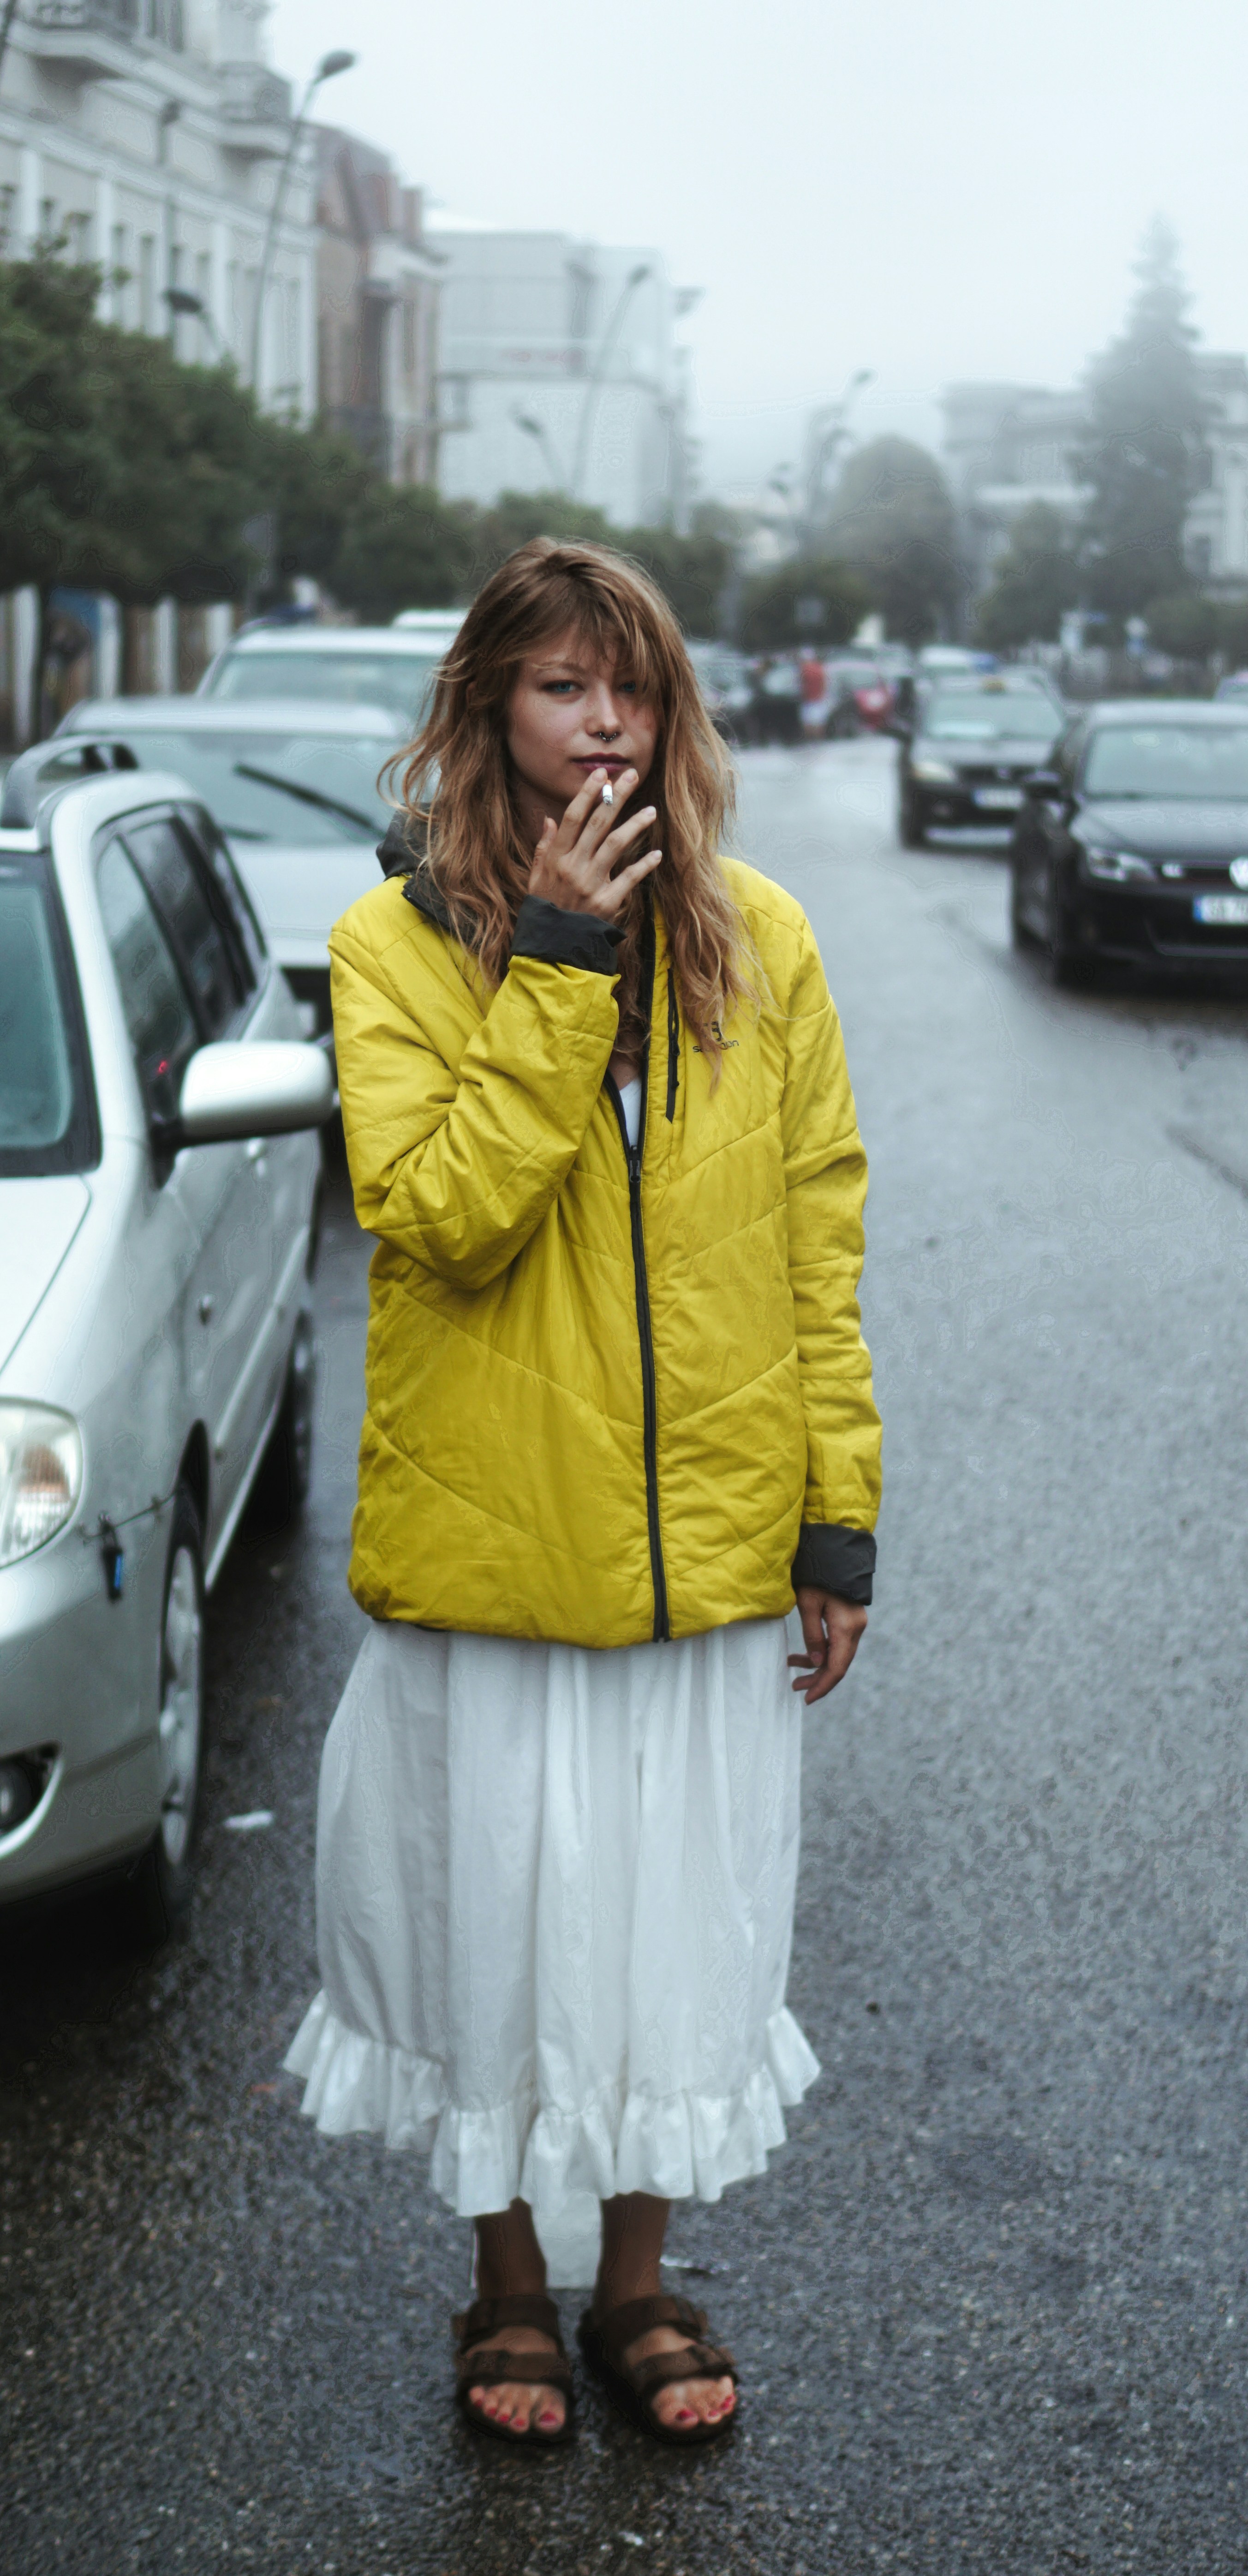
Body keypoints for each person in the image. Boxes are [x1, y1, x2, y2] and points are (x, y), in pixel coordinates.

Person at [285, 538, 882, 2449]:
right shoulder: (391, 947)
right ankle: (506, 2287)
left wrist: (836, 1518)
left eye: (630, 687)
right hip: (495, 1548)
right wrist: (549, 958)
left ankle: (633, 2284)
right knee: (500, 1928)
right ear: (487, 711)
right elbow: (440, 1214)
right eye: (559, 686)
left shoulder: (761, 937)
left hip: (707, 1556)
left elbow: (813, 1241)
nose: (603, 722)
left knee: (666, 1935)